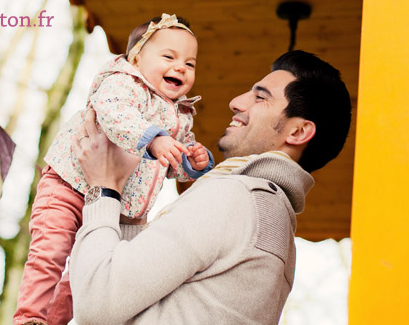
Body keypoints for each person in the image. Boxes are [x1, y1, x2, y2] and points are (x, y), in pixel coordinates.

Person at [69, 50, 352, 325]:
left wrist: (103, 188)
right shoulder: (270, 217)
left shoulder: (235, 198)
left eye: (261, 97)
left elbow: (96, 304)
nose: (237, 102)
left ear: (298, 132)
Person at [14, 14, 214, 325]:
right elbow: (115, 114)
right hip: (69, 185)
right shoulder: (123, 82)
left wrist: (192, 162)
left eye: (190, 63)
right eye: (169, 57)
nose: (181, 68)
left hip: (117, 210)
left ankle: (51, 322)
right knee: (50, 252)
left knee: (85, 278)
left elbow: (171, 163)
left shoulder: (181, 115)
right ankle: (30, 317)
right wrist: (155, 139)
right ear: (137, 58)